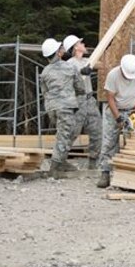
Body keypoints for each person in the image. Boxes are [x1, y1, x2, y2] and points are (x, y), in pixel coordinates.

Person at [97, 54, 135, 189]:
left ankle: (129, 175)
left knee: (132, 141)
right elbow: (110, 98)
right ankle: (105, 172)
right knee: (109, 141)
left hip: (131, 109)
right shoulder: (113, 75)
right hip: (114, 109)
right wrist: (118, 117)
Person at [40, 37, 85, 179]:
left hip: (52, 108)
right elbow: (80, 88)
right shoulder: (70, 67)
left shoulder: (45, 72)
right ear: (58, 53)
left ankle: (61, 162)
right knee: (64, 136)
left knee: (62, 134)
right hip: (66, 106)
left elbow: (44, 91)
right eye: (60, 49)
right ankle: (54, 168)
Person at [62, 34, 102, 170]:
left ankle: (94, 161)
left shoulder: (87, 61)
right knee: (73, 131)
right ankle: (60, 160)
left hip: (89, 99)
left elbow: (102, 64)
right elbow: (68, 79)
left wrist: (106, 46)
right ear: (75, 47)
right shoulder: (69, 64)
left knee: (97, 130)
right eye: (81, 43)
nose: (84, 45)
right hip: (77, 100)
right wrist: (80, 72)